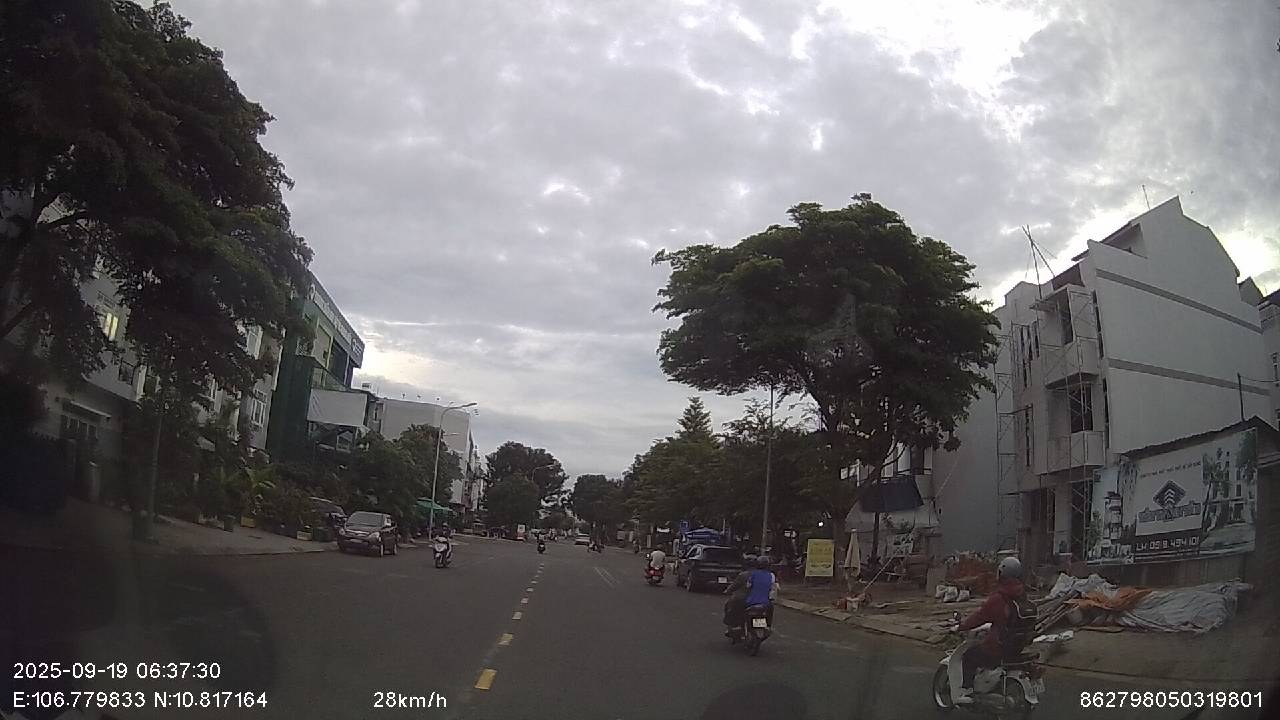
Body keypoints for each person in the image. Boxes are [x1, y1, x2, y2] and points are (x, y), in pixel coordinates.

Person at [953, 556, 1035, 705]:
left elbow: (979, 617)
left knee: (969, 656)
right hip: (1017, 647)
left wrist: (961, 626)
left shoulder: (999, 598)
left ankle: (967, 691)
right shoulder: (1022, 595)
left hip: (999, 648)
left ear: (1002, 574)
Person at [722, 555, 756, 635]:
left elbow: (734, 586)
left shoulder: (743, 575)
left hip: (743, 599)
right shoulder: (762, 575)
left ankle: (732, 625)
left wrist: (727, 591)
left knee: (729, 605)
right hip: (758, 600)